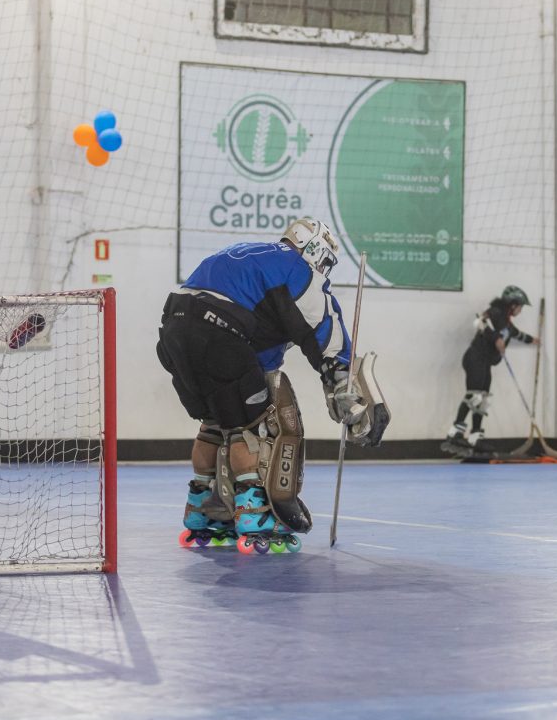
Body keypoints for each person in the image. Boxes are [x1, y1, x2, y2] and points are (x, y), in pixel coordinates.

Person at [156, 218, 389, 549]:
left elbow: (260, 356)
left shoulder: (251, 255)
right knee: (248, 426)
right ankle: (252, 511)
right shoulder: (297, 267)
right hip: (219, 332)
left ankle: (203, 509)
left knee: (214, 422)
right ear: (315, 249)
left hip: (174, 332)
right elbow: (325, 327)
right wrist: (344, 383)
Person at [441, 285, 540, 456]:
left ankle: (475, 437)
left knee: (483, 399)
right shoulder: (495, 312)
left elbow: (517, 334)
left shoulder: (507, 324)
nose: (521, 310)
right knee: (473, 395)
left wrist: (533, 340)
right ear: (512, 304)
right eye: (521, 306)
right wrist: (496, 339)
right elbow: (479, 321)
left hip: (485, 362)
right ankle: (454, 434)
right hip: (475, 358)